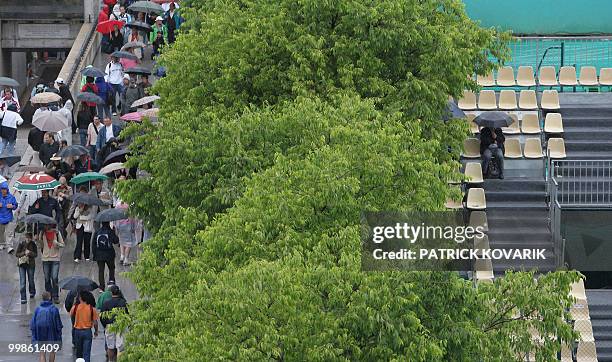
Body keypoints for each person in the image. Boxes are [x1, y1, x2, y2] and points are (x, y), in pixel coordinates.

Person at [31, 292, 63, 362]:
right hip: (51, 330)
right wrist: (59, 333)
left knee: (42, 352)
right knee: (52, 350)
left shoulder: (37, 309)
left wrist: (34, 333)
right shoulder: (54, 309)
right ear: (49, 298)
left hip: (40, 330)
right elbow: (58, 323)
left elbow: (33, 323)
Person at [38, 224, 65, 304]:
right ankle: (48, 295)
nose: (46, 226)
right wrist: (38, 240)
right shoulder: (42, 233)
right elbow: (40, 246)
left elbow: (63, 244)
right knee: (47, 278)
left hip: (55, 258)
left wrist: (57, 244)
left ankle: (56, 296)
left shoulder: (57, 233)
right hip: (45, 258)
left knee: (54, 277)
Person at [100, 285, 128, 361]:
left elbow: (102, 316)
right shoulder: (123, 302)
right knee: (120, 347)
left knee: (110, 347)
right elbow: (126, 315)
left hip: (109, 325)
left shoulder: (106, 302)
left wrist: (105, 325)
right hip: (120, 325)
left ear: (111, 292)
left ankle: (111, 360)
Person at [70, 290, 99, 362]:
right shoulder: (92, 309)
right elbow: (95, 322)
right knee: (86, 352)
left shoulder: (75, 307)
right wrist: (96, 331)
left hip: (77, 331)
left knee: (79, 353)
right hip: (87, 332)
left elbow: (71, 315)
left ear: (81, 298)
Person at [92, 221, 119, 290]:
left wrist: (94, 254)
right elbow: (116, 241)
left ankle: (101, 287)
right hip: (109, 254)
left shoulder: (97, 231)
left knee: (101, 270)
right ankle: (111, 283)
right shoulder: (110, 231)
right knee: (111, 268)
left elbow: (93, 244)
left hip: (99, 254)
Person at [15, 232, 37, 303]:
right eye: (26, 237)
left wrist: (30, 252)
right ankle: (23, 297)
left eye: (29, 238)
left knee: (31, 280)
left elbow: (35, 254)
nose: (28, 239)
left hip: (30, 264)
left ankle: (32, 291)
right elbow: (17, 254)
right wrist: (24, 253)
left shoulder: (33, 244)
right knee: (22, 282)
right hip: (22, 264)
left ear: (31, 238)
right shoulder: (21, 243)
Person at [114, 201, 135, 265]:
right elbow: (131, 217)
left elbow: (115, 215)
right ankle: (126, 259)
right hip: (127, 225)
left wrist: (115, 225)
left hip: (119, 225)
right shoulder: (129, 205)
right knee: (129, 243)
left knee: (122, 241)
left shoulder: (118, 204)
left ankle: (122, 256)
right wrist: (133, 227)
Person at [0, 181, 17, 250]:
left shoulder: (11, 197)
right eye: (2, 189)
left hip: (9, 217)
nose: (3, 191)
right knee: (0, 233)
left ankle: (9, 246)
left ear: (7, 189)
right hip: (0, 218)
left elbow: (16, 205)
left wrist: (12, 206)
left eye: (4, 189)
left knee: (9, 233)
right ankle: (2, 244)